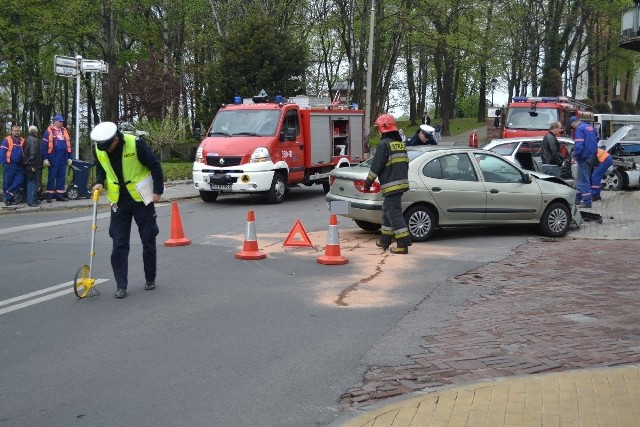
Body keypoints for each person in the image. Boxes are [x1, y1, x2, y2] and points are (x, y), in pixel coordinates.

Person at [91, 121, 164, 299]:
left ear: (116, 139)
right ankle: (121, 285)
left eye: (109, 146)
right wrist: (99, 181)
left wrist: (158, 191)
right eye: (103, 147)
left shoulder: (135, 144)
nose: (106, 150)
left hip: (141, 198)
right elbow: (101, 167)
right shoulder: (100, 149)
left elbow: (155, 164)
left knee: (148, 238)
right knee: (119, 243)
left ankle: (150, 278)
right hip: (119, 201)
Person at [364, 113, 411, 254]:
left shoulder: (384, 145)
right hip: (400, 184)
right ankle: (385, 239)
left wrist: (367, 183)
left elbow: (376, 166)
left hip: (392, 185)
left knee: (394, 213)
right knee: (386, 212)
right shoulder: (399, 144)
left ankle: (403, 243)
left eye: (378, 128)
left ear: (382, 129)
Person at [41, 114, 72, 202]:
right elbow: (44, 146)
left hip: (63, 158)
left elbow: (69, 145)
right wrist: (45, 158)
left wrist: (70, 157)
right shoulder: (49, 132)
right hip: (53, 158)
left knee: (61, 177)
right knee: (52, 177)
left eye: (62, 121)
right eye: (60, 121)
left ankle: (59, 195)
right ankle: (49, 196)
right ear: (55, 122)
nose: (61, 123)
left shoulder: (64, 131)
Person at [570, 115, 598, 208]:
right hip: (591, 157)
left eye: (572, 125)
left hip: (583, 158)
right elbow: (598, 138)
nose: (573, 127)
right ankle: (577, 200)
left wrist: (574, 156)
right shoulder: (590, 127)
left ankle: (587, 202)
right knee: (582, 179)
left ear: (574, 122)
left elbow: (579, 146)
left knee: (583, 180)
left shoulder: (579, 129)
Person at [1, 124, 25, 206]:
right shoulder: (7, 140)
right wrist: (3, 162)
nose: (17, 132)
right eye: (15, 131)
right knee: (8, 182)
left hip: (20, 165)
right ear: (12, 131)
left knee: (20, 180)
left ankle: (7, 195)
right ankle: (9, 200)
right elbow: (2, 152)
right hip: (9, 165)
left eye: (18, 131)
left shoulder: (22, 140)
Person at [23, 125, 42, 207]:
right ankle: (31, 201)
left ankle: (33, 199)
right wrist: (32, 165)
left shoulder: (27, 139)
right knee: (33, 183)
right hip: (33, 165)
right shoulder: (33, 140)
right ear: (35, 132)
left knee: (32, 182)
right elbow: (33, 154)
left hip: (29, 164)